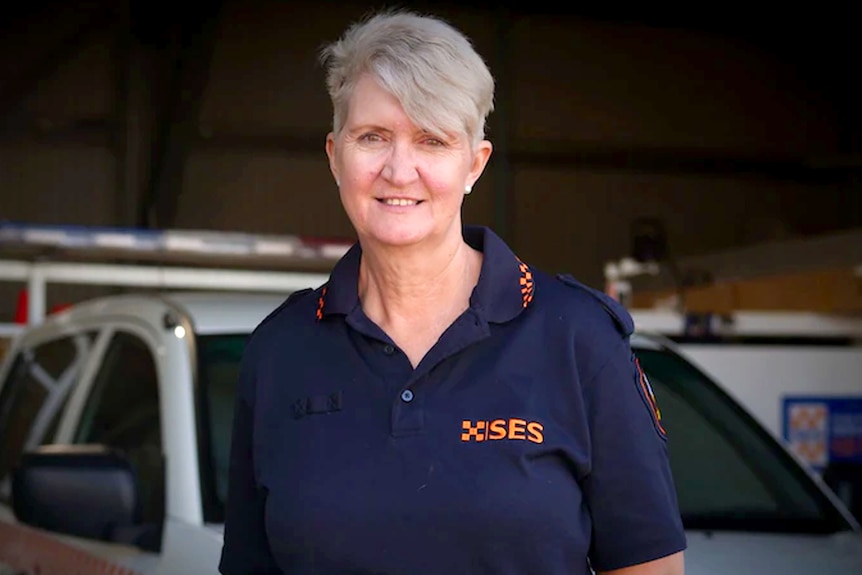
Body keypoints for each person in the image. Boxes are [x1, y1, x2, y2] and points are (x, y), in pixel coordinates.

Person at [219, 9, 686, 575]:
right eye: (373, 137)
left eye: (431, 140)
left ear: (474, 163)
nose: (399, 169)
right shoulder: (278, 352)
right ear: (334, 155)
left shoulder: (579, 341)